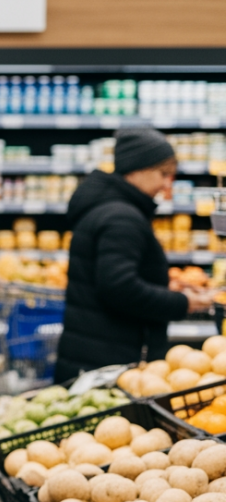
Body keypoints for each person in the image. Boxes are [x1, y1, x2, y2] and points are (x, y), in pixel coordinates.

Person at [56, 129, 213, 381]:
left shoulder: (107, 208)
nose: (166, 184)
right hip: (108, 363)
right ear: (136, 168)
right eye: (162, 173)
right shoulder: (122, 218)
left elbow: (112, 274)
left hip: (91, 353)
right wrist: (182, 303)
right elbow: (118, 287)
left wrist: (165, 285)